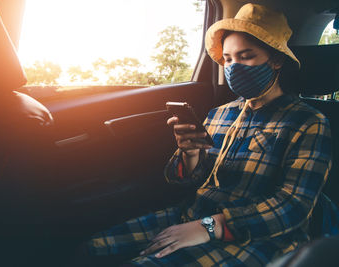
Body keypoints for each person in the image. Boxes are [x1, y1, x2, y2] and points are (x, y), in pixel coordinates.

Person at [82, 4, 332, 266]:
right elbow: (187, 180)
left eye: (246, 56)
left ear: (276, 59)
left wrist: (210, 228)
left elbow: (293, 206)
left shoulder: (308, 122)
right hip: (191, 216)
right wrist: (190, 155)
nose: (234, 67)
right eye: (229, 59)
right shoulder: (219, 114)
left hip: (259, 237)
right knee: (92, 249)